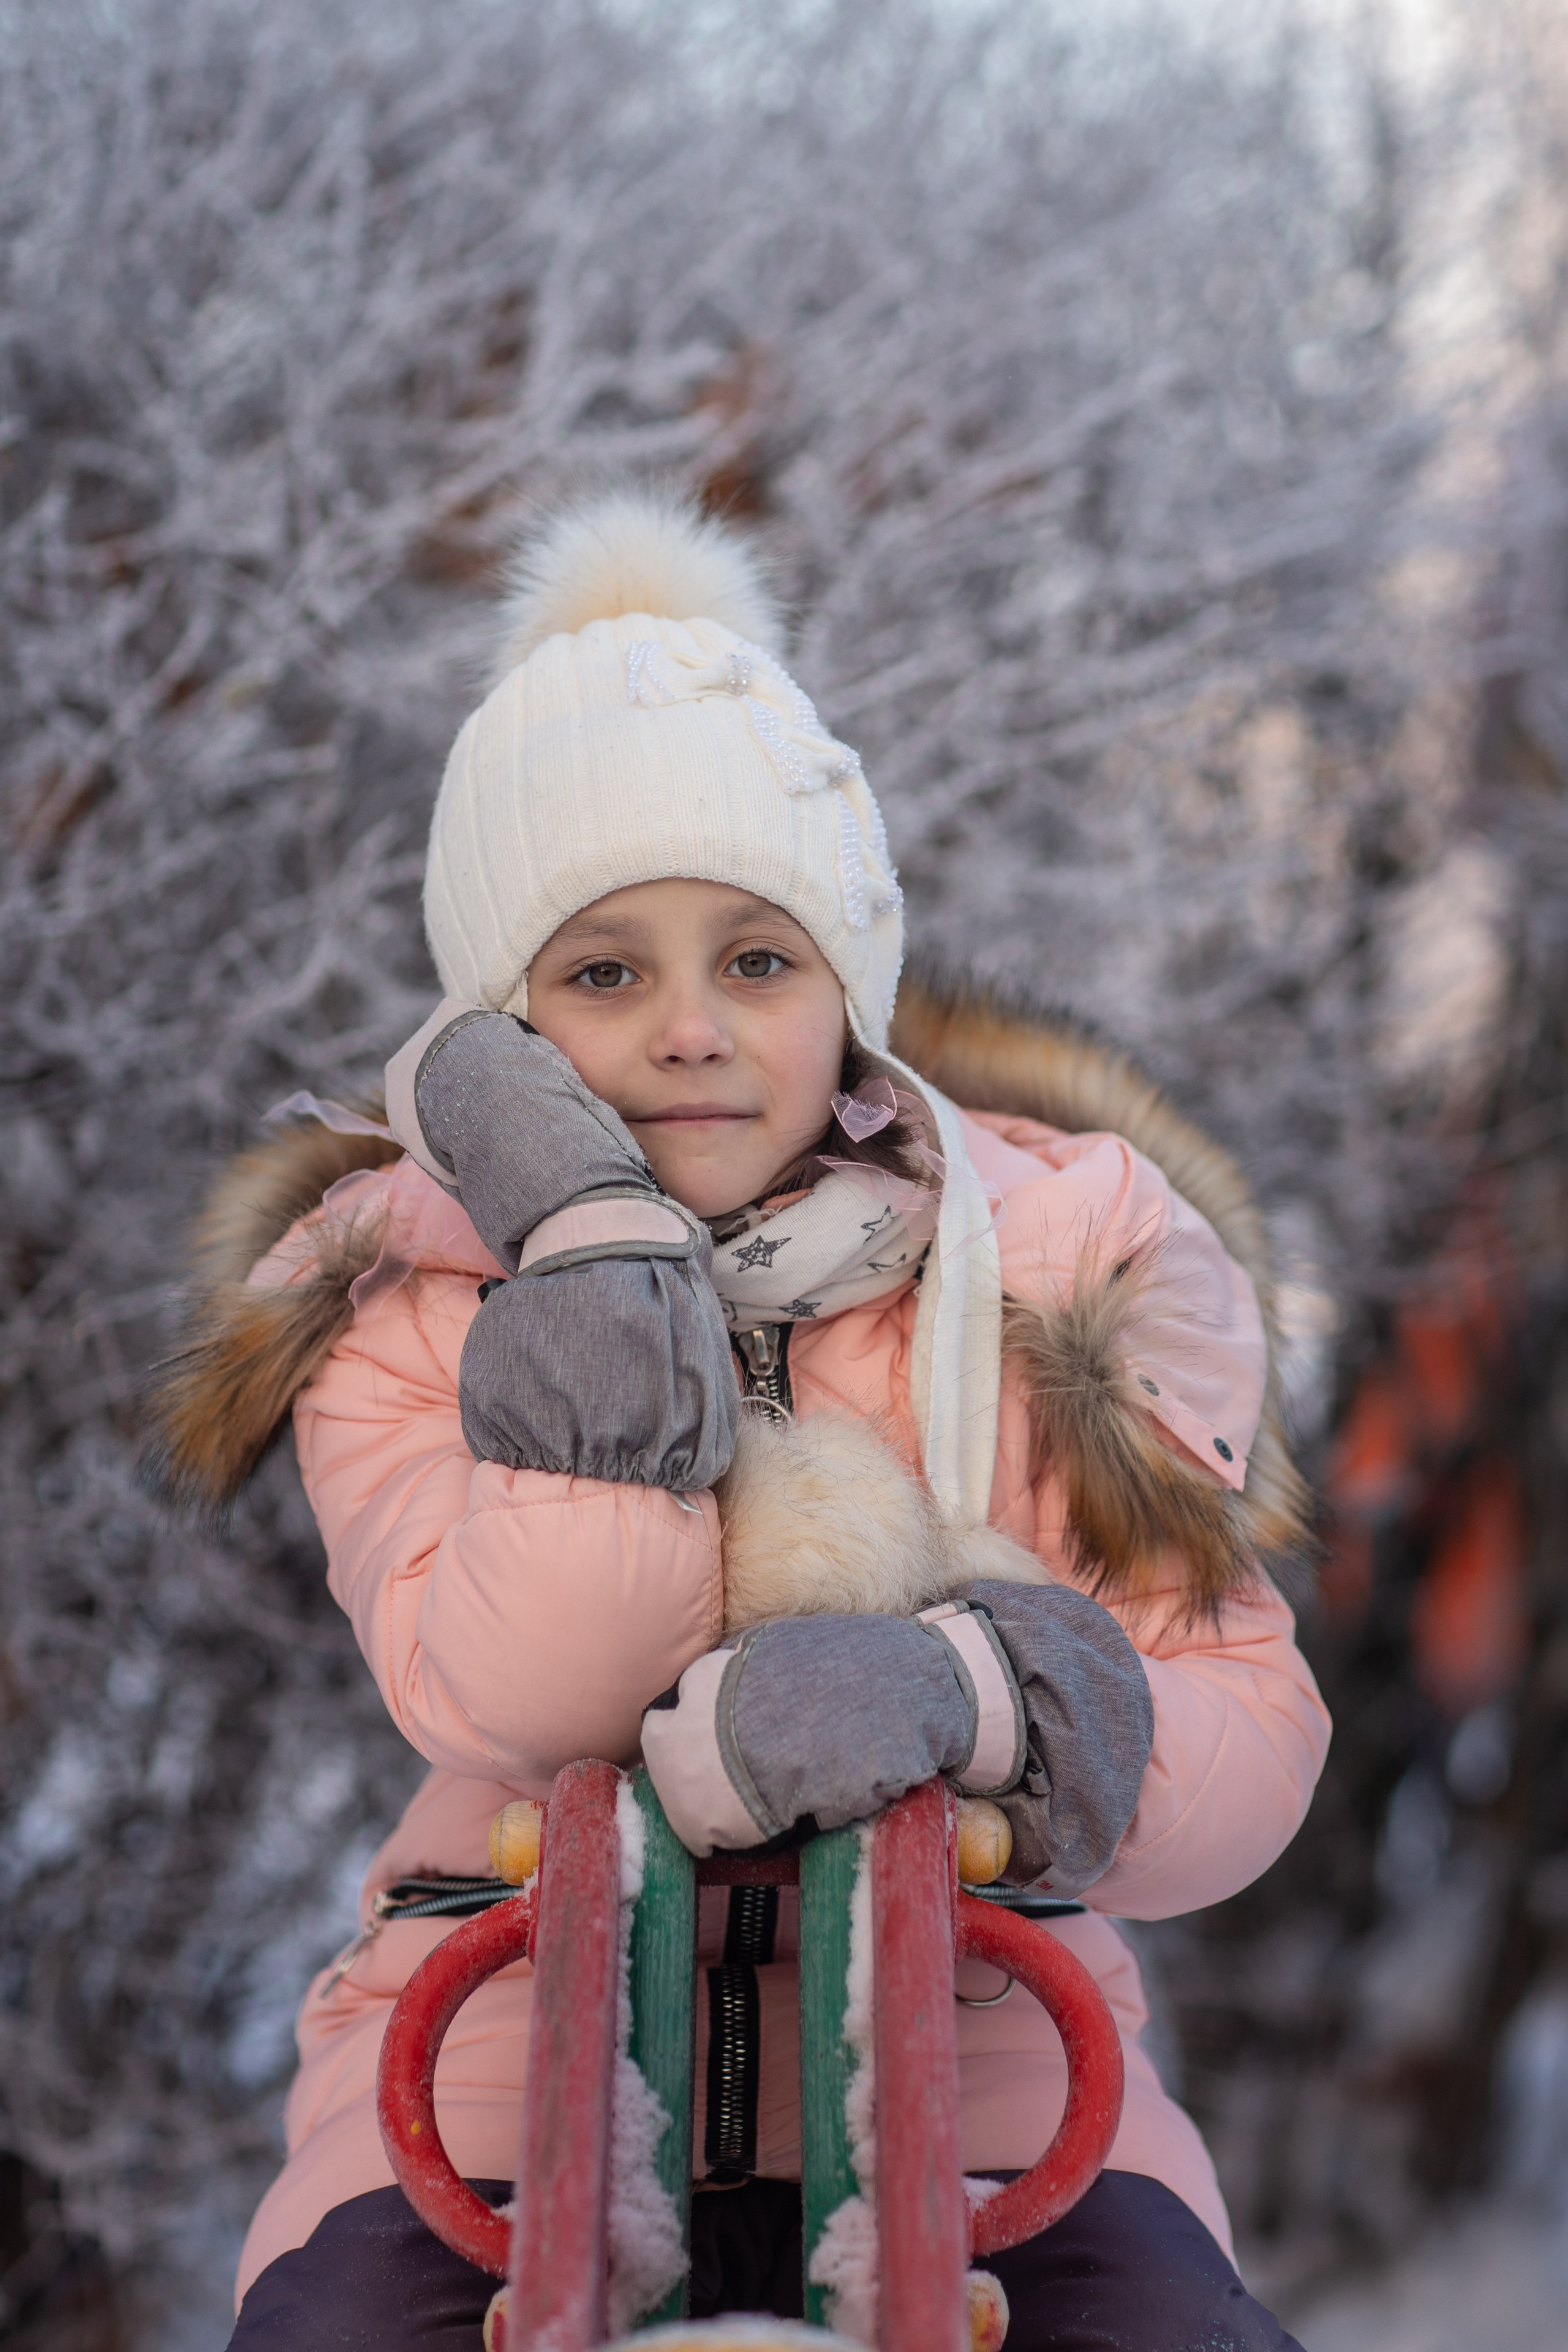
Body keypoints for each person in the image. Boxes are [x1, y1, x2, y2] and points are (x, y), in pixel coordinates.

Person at [147, 492, 1328, 2350]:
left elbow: (1245, 1740)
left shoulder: (1061, 1268)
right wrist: (597, 1264)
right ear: (505, 1025)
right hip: (492, 2075)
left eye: (760, 961)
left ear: (845, 995)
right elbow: (535, 1693)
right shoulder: (405, 1295)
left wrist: (989, 1695)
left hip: (999, 2080)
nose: (692, 1029)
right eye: (607, 972)